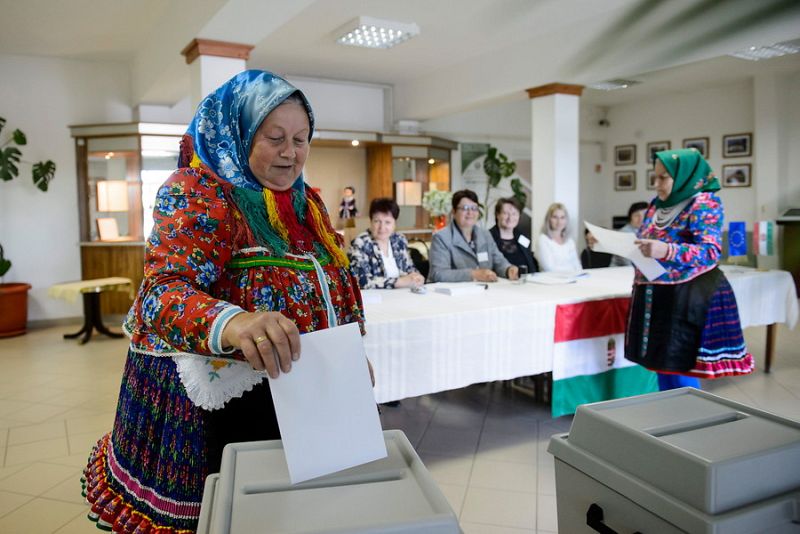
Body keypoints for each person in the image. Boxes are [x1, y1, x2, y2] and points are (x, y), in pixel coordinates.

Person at [82, 70, 366, 533]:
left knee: (293, 515)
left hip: (300, 397)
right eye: (274, 137)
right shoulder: (198, 191)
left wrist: (352, 354)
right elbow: (162, 292)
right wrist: (234, 323)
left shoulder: (304, 203)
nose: (291, 152)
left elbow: (335, 283)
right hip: (216, 413)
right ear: (237, 132)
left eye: (301, 138)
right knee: (232, 516)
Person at [625, 148, 753, 390]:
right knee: (662, 364)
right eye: (655, 177)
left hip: (689, 295)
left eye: (663, 178)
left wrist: (667, 251)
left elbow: (711, 251)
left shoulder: (703, 203)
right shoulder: (657, 205)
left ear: (684, 176)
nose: (656, 184)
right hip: (658, 292)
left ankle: (688, 423)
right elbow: (646, 239)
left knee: (681, 367)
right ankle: (669, 420)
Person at [428, 189, 519, 282]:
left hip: (485, 291)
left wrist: (508, 269)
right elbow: (438, 274)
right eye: (465, 208)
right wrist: (473, 274)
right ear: (454, 212)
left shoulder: (485, 234)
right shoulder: (441, 238)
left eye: (474, 208)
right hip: (453, 294)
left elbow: (499, 260)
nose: (470, 213)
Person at [347, 197, 425, 289]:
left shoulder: (399, 240)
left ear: (394, 223)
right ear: (370, 221)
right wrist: (398, 282)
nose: (382, 227)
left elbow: (409, 268)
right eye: (377, 221)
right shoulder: (360, 243)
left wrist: (416, 277)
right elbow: (360, 281)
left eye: (387, 222)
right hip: (376, 299)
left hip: (402, 296)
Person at [489, 197, 539, 275]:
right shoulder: (488, 237)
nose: (510, 218)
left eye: (514, 214)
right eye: (505, 213)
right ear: (497, 215)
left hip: (526, 282)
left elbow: (530, 262)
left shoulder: (523, 237)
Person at [536, 202, 582, 272]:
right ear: (549, 219)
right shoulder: (543, 240)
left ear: (566, 220)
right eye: (555, 217)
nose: (559, 221)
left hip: (572, 279)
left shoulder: (569, 241)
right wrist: (572, 269)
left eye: (562, 217)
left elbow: (578, 266)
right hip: (551, 280)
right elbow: (550, 268)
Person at [609, 201, 649, 266]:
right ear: (630, 217)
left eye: (644, 215)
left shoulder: (648, 230)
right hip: (622, 270)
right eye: (636, 215)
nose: (641, 219)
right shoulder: (624, 233)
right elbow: (627, 261)